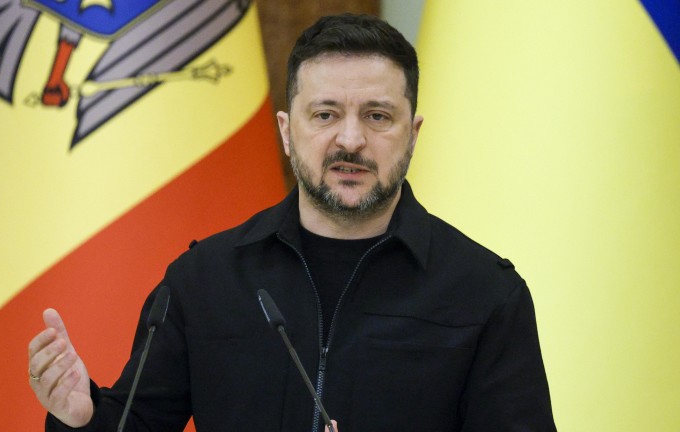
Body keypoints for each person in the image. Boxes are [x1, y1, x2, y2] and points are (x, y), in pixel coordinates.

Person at [28, 13, 556, 432]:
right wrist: (82, 418)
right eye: (325, 114)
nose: (350, 140)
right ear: (286, 130)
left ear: (412, 134)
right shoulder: (203, 279)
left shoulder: (485, 293)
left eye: (377, 116)